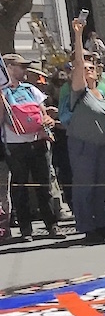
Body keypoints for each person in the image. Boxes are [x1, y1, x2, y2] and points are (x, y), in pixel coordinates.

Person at [59, 19, 105, 242]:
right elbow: (78, 64)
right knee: (84, 187)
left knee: (101, 187)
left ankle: (102, 223)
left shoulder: (101, 93)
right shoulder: (78, 92)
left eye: (92, 68)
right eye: (85, 68)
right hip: (82, 145)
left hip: (101, 144)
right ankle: (86, 227)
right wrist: (79, 35)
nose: (88, 70)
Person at [2, 52, 58, 239]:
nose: (25, 70)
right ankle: (26, 229)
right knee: (20, 186)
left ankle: (52, 225)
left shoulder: (30, 89)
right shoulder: (2, 93)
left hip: (38, 141)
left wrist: (48, 121)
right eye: (22, 66)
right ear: (9, 68)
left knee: (44, 184)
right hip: (15, 144)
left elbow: (43, 114)